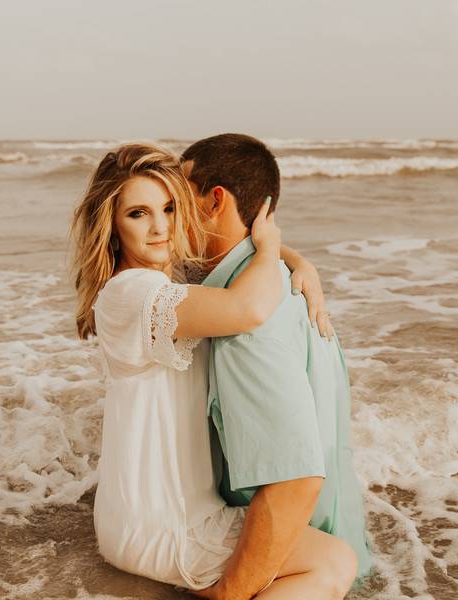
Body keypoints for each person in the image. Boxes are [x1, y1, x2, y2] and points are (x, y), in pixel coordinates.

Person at [70, 143, 356, 598]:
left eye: (169, 207)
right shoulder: (133, 294)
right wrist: (270, 250)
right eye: (139, 214)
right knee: (333, 563)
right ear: (113, 226)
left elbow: (227, 253)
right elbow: (247, 308)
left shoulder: (172, 280)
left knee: (303, 554)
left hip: (179, 508)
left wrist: (300, 262)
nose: (161, 227)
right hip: (157, 519)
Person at [180, 133, 374, 599]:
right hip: (333, 550)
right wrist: (285, 252)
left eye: (177, 200)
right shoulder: (284, 285)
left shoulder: (249, 324)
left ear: (215, 202)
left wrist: (227, 595)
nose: (168, 217)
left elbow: (294, 483)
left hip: (288, 572)